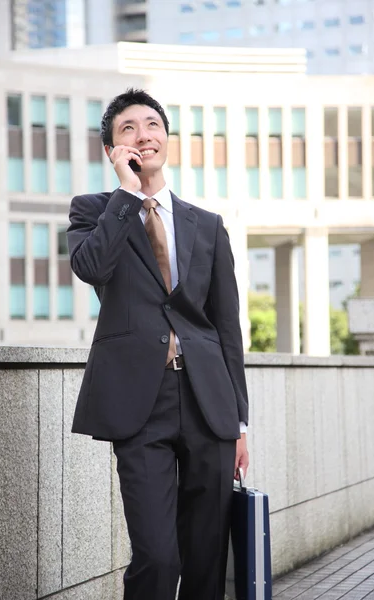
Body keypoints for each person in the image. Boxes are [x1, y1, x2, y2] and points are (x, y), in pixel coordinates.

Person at [67, 88, 249, 600]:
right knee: (156, 555)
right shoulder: (96, 210)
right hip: (139, 405)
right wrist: (127, 193)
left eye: (151, 125)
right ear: (111, 149)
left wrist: (239, 422)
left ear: (166, 137)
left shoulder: (207, 225)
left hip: (208, 402)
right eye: (127, 128)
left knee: (206, 556)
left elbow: (227, 327)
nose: (143, 135)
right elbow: (90, 268)